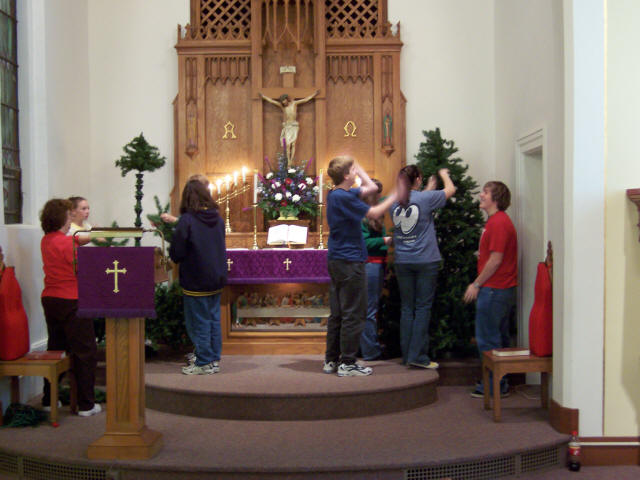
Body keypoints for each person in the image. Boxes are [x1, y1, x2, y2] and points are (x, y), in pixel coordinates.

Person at [323, 156, 398, 377]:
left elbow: (372, 187)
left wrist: (359, 167)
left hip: (339, 259)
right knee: (353, 313)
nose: (356, 172)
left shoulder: (340, 194)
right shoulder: (343, 197)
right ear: (346, 175)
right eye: (353, 170)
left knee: (338, 313)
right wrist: (395, 195)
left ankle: (332, 360)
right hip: (349, 261)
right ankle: (347, 362)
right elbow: (374, 213)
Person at [40, 199, 101, 416]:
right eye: (68, 215)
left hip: (50, 298)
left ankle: (49, 399)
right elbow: (84, 269)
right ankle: (86, 404)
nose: (70, 219)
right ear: (62, 218)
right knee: (85, 351)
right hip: (71, 299)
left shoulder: (46, 240)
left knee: (56, 349)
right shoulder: (67, 243)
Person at [391, 165, 456, 369]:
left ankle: (407, 354)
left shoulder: (394, 201)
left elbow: (415, 206)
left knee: (407, 308)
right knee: (422, 307)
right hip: (425, 260)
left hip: (402, 260)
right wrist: (444, 175)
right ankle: (418, 356)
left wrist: (426, 188)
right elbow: (450, 191)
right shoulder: (425, 199)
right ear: (417, 179)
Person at [463, 181, 517, 398]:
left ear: (495, 198)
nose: (481, 195)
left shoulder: (499, 223)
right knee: (498, 338)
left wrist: (476, 284)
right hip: (500, 289)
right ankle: (498, 383)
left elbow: (496, 260)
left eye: (485, 192)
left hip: (494, 289)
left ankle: (493, 387)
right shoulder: (496, 222)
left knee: (488, 339)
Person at [169, 179, 226, 375]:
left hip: (196, 277)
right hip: (216, 277)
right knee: (213, 319)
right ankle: (213, 359)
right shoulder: (217, 219)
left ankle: (203, 362)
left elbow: (177, 251)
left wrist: (175, 256)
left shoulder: (187, 220)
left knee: (199, 321)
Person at [359, 179, 392, 361]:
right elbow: (362, 242)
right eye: (378, 193)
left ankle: (370, 347)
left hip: (377, 264)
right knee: (368, 309)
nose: (381, 197)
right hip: (369, 265)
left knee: (372, 308)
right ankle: (370, 351)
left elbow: (392, 199)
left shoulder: (374, 210)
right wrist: (384, 241)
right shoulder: (362, 214)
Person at [259, 90, 319, 166]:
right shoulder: (283, 107)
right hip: (287, 126)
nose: (283, 102)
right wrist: (263, 97)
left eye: (284, 100)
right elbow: (272, 101)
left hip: (294, 125)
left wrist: (314, 94)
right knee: (287, 145)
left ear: (287, 99)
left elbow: (305, 100)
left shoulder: (294, 103)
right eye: (282, 102)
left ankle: (292, 159)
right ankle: (288, 161)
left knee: (293, 144)